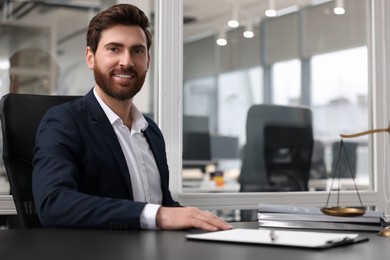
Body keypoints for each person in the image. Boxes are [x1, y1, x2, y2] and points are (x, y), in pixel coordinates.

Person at [32, 3, 232, 231]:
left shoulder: (151, 131)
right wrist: (158, 215)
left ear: (147, 60)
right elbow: (54, 204)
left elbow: (162, 207)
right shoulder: (63, 122)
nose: (126, 61)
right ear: (90, 57)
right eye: (113, 49)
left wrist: (203, 222)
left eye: (137, 51)